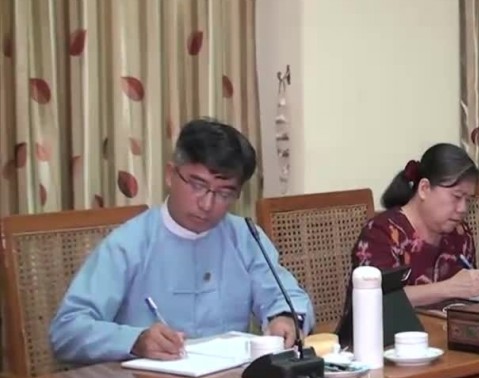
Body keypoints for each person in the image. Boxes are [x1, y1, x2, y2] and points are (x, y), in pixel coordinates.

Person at [50, 118, 314, 364]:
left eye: (224, 193)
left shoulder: (244, 237)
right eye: (197, 185)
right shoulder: (128, 244)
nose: (207, 204)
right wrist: (134, 340)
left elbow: (288, 297)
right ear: (170, 174)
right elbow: (67, 330)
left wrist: (286, 319)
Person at [350, 143, 479, 306]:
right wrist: (449, 288)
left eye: (468, 200)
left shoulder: (460, 234)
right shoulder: (382, 233)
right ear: (424, 188)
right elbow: (380, 298)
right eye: (457, 197)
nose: (463, 208)